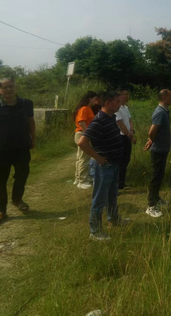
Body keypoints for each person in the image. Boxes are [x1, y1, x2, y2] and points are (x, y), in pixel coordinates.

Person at [0, 78, 36, 226]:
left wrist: (33, 139)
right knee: (0, 181)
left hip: (22, 147)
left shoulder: (26, 104)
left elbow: (31, 122)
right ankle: (0, 211)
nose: (9, 89)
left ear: (15, 87)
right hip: (1, 149)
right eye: (5, 87)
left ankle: (17, 199)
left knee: (22, 174)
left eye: (11, 86)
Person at [77, 91, 127, 241]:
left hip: (113, 164)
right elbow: (82, 143)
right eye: (117, 102)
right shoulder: (99, 120)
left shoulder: (111, 118)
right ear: (107, 103)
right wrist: (98, 157)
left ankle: (114, 219)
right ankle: (95, 231)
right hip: (104, 166)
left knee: (112, 196)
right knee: (99, 199)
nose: (120, 104)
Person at [143, 89, 171, 218]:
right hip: (159, 150)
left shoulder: (164, 111)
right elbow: (151, 132)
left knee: (160, 175)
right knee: (155, 177)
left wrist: (151, 141)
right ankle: (151, 206)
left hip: (162, 149)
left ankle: (156, 198)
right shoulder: (160, 112)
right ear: (164, 97)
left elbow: (156, 132)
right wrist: (152, 140)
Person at [72, 91, 100, 189]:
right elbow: (81, 122)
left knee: (80, 157)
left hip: (82, 134)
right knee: (84, 158)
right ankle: (82, 181)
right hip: (82, 134)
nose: (96, 101)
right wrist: (87, 134)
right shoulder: (84, 108)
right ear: (89, 98)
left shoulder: (87, 108)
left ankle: (78, 178)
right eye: (95, 99)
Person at [115, 88, 136, 190]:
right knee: (121, 161)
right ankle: (118, 184)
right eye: (125, 95)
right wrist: (129, 135)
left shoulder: (125, 108)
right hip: (121, 137)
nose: (127, 97)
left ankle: (122, 182)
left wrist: (131, 131)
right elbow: (120, 124)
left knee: (126, 159)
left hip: (127, 136)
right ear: (120, 95)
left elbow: (130, 120)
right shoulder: (117, 108)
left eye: (128, 94)